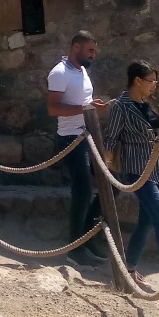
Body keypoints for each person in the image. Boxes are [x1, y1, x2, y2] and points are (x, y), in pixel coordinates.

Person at [104, 60, 159, 290]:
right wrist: (106, 170)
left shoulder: (146, 105)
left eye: (156, 81)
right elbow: (110, 139)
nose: (154, 85)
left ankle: (129, 269)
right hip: (137, 171)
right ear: (138, 80)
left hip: (156, 170)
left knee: (146, 222)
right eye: (151, 81)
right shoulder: (121, 106)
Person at [47, 30, 109, 265]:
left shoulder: (82, 71)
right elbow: (53, 109)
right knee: (83, 190)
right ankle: (75, 247)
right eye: (90, 50)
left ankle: (89, 233)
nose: (93, 55)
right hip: (71, 139)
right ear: (76, 47)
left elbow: (84, 103)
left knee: (110, 182)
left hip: (89, 136)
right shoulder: (59, 73)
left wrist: (92, 108)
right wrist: (85, 108)